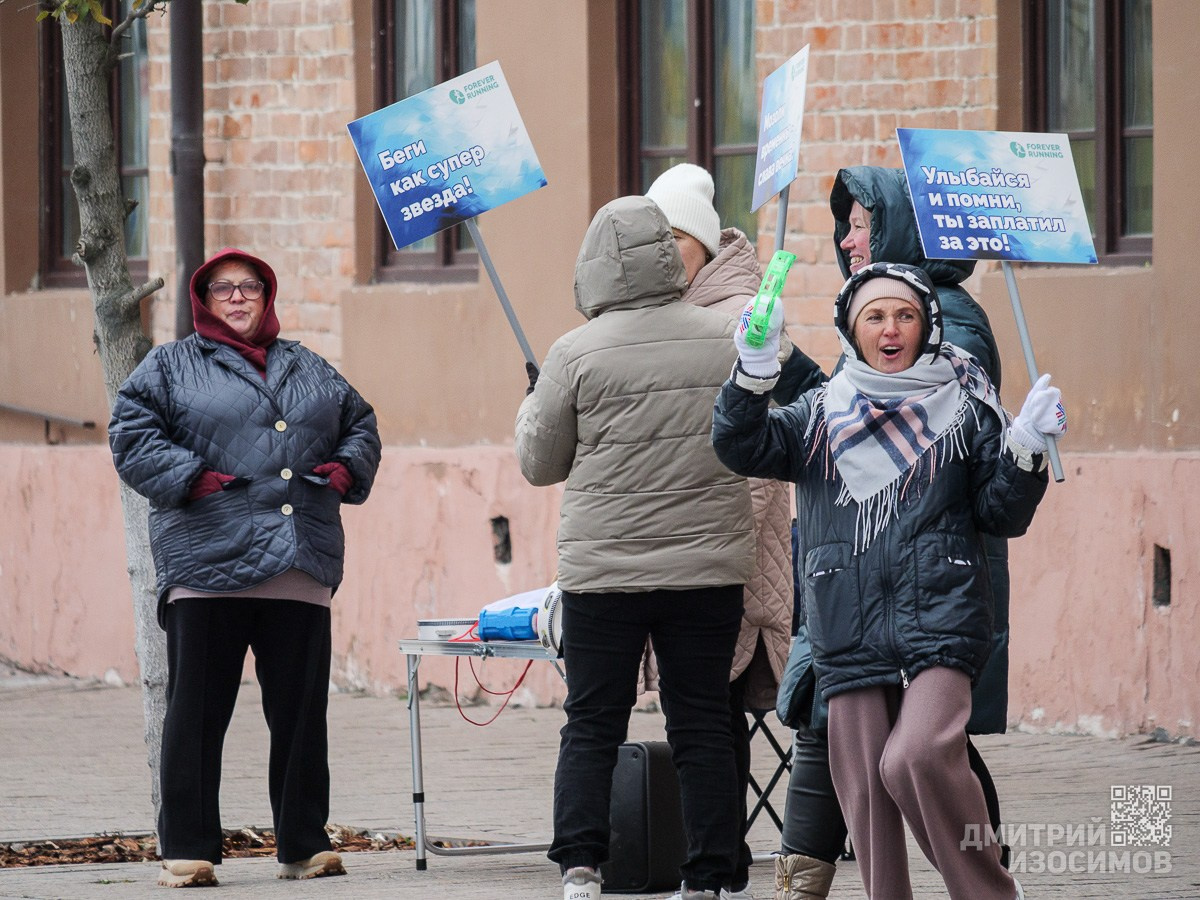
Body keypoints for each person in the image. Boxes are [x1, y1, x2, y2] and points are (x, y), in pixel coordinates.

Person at [714, 261, 1064, 899]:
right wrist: (753, 373)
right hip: (845, 623)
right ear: (853, 328)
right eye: (874, 316)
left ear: (927, 323)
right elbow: (742, 447)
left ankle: (987, 891)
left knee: (917, 756)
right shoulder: (819, 414)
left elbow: (999, 515)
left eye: (905, 314)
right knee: (869, 800)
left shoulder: (965, 406)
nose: (891, 328)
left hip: (942, 614)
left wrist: (1026, 449)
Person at [770, 167, 1017, 898]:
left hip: (917, 578)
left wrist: (789, 377)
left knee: (920, 755)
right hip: (856, 576)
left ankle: (985, 882)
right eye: (845, 224)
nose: (846, 237)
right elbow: (835, 419)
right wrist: (776, 371)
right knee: (861, 747)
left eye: (860, 223)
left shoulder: (948, 322)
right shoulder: (895, 306)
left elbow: (907, 442)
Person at [108, 247, 382, 888]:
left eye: (249, 287)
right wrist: (193, 480)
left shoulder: (309, 367)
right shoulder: (170, 367)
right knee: (198, 714)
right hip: (207, 562)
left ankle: (304, 845)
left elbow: (360, 424)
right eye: (222, 288)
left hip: (297, 563)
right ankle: (188, 849)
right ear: (203, 300)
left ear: (267, 295)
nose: (237, 297)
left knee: (299, 712)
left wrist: (343, 471)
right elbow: (130, 432)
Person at [516, 195, 754, 900]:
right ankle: (710, 874)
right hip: (708, 567)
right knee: (705, 719)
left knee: (593, 719)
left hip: (604, 573)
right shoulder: (725, 337)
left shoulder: (573, 352)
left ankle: (582, 867)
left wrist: (536, 405)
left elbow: (540, 464)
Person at [644, 163, 823, 900]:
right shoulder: (661, 309)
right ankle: (721, 862)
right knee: (709, 712)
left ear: (700, 244)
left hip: (731, 542)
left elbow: (781, 427)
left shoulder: (742, 311)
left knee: (719, 712)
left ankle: (735, 862)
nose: (660, 257)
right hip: (680, 539)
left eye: (672, 241)